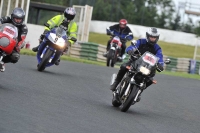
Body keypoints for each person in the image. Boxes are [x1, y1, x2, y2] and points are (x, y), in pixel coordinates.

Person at [110, 27, 164, 94]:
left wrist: (160, 64)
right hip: (135, 62)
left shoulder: (157, 48)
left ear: (157, 38)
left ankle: (139, 92)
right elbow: (133, 46)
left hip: (148, 67)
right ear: (147, 36)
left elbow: (160, 57)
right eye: (151, 37)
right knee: (124, 67)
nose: (153, 39)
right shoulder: (141, 41)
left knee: (150, 80)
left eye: (154, 37)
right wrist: (130, 50)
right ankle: (116, 83)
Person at [0, 7, 28, 72]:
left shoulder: (24, 27)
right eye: (16, 18)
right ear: (12, 17)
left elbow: (22, 38)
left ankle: (2, 61)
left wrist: (18, 45)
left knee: (16, 57)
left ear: (22, 19)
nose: (18, 20)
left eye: (19, 19)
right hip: (1, 37)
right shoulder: (7, 19)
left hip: (12, 43)